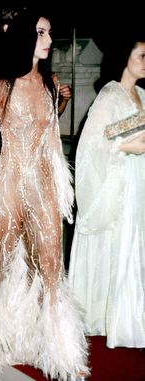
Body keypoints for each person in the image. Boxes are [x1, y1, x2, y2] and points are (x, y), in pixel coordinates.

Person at [0, 8, 89, 381]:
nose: (49, 41)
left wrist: (61, 190)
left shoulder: (49, 84)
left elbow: (50, 139)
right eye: (41, 33)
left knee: (50, 265)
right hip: (11, 186)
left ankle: (62, 354)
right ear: (23, 37)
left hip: (44, 185)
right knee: (5, 263)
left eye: (48, 33)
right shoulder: (2, 84)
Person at [68, 35, 145, 349]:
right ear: (123, 56)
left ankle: (134, 313)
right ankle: (119, 317)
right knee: (124, 243)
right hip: (122, 177)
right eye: (142, 54)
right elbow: (93, 142)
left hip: (139, 177)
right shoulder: (110, 95)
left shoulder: (141, 94)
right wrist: (129, 146)